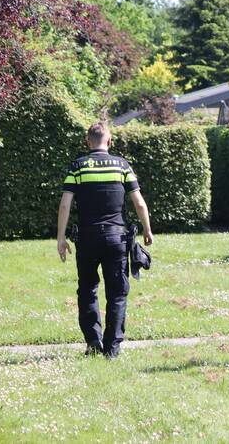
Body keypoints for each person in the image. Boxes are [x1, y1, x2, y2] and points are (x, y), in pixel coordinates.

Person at [57, 122, 153, 358]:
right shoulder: (122, 166)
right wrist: (147, 229)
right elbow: (139, 202)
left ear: (87, 142)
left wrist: (61, 238)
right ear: (109, 141)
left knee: (88, 290)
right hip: (116, 238)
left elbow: (65, 204)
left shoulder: (77, 167)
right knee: (117, 292)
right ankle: (112, 348)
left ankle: (93, 343)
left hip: (87, 238)